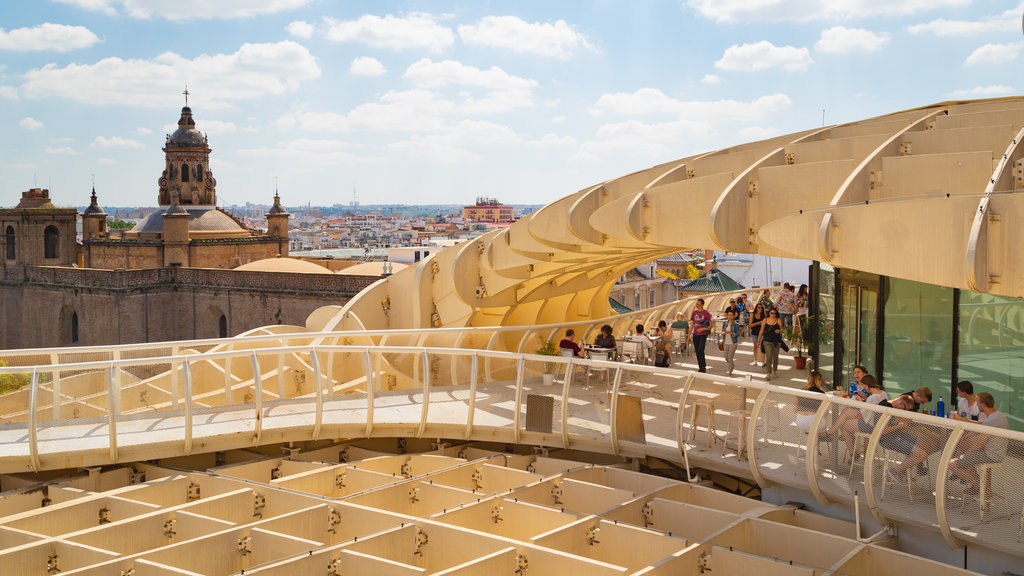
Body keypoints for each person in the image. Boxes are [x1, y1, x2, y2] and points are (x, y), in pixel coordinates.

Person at [948, 393, 1009, 495]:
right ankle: (978, 485)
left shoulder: (991, 420)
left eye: (978, 403)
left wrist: (964, 456)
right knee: (964, 447)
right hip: (996, 452)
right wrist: (964, 438)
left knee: (951, 464)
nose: (976, 405)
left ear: (983, 405)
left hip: (990, 455)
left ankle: (980, 487)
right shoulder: (997, 415)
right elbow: (980, 426)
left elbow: (979, 444)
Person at [756, 307, 783, 378]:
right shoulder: (765, 320)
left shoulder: (778, 320)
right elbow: (761, 330)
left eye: (774, 313)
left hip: (776, 341)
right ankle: (768, 372)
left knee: (775, 357)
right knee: (769, 356)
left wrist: (779, 331)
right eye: (771, 313)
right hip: (767, 341)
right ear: (769, 313)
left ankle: (775, 370)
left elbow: (782, 330)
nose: (773, 314)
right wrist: (758, 341)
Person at [689, 299, 712, 373]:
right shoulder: (694, 313)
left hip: (703, 335)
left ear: (702, 304)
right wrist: (688, 335)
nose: (697, 305)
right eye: (696, 304)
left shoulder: (706, 313)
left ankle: (703, 366)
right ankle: (700, 367)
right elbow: (692, 325)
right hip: (695, 334)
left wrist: (703, 329)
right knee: (697, 351)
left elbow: (711, 326)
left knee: (700, 350)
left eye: (699, 304)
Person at [722, 309, 739, 377]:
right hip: (725, 342)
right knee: (726, 357)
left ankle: (730, 371)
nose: (729, 316)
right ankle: (732, 365)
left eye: (731, 315)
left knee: (730, 357)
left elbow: (737, 334)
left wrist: (732, 333)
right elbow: (723, 330)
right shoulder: (725, 322)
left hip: (733, 343)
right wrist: (723, 332)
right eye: (728, 315)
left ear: (734, 316)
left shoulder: (736, 324)